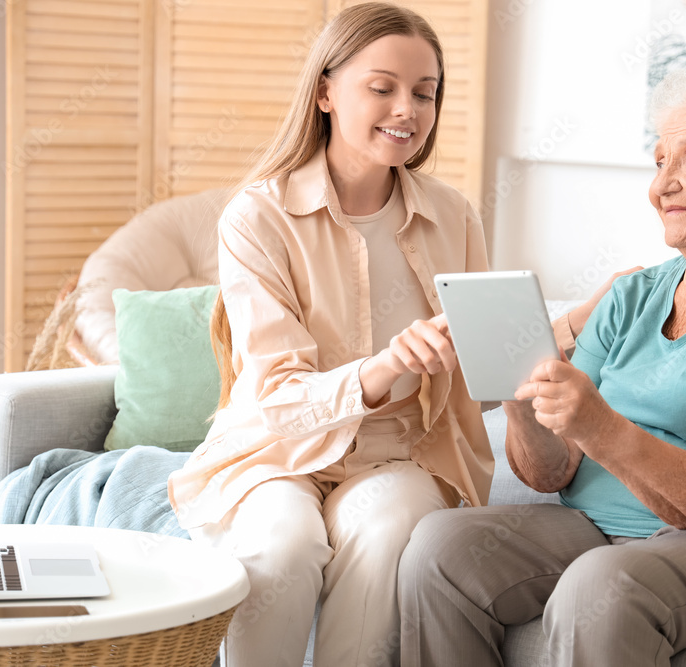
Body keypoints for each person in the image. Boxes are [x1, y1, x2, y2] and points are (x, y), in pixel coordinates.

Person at [166, 4, 616, 665]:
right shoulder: (256, 218)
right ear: (325, 91)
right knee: (283, 543)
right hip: (277, 449)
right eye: (382, 87)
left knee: (383, 529)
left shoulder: (453, 216)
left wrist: (573, 324)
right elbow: (281, 396)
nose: (406, 109)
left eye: (424, 93)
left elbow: (483, 377)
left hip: (403, 454)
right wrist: (384, 367)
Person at [398, 62, 686, 666]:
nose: (662, 185)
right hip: (607, 529)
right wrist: (517, 393)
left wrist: (599, 424)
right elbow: (551, 471)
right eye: (660, 161)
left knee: (604, 584)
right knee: (442, 548)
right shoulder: (631, 296)